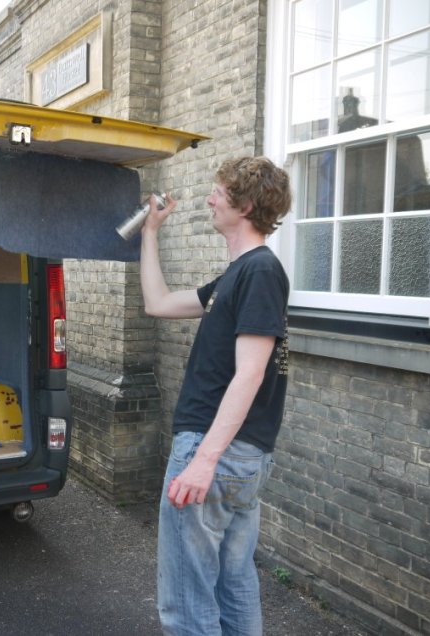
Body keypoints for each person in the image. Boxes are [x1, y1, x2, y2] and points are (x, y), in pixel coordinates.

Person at [139, 156, 292, 635]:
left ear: (244, 206)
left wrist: (204, 460)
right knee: (231, 583)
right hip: (234, 457)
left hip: (215, 452)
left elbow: (250, 373)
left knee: (187, 602)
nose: (209, 199)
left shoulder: (260, 271)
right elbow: (158, 303)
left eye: (218, 193)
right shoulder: (236, 276)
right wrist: (150, 232)